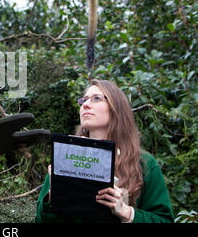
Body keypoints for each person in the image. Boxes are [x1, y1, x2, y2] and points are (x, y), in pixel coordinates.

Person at [35, 79, 174, 223]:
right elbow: (39, 221)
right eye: (83, 100)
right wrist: (54, 195)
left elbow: (164, 220)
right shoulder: (67, 156)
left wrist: (127, 213)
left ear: (116, 108)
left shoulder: (143, 162)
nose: (86, 105)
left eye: (96, 98)